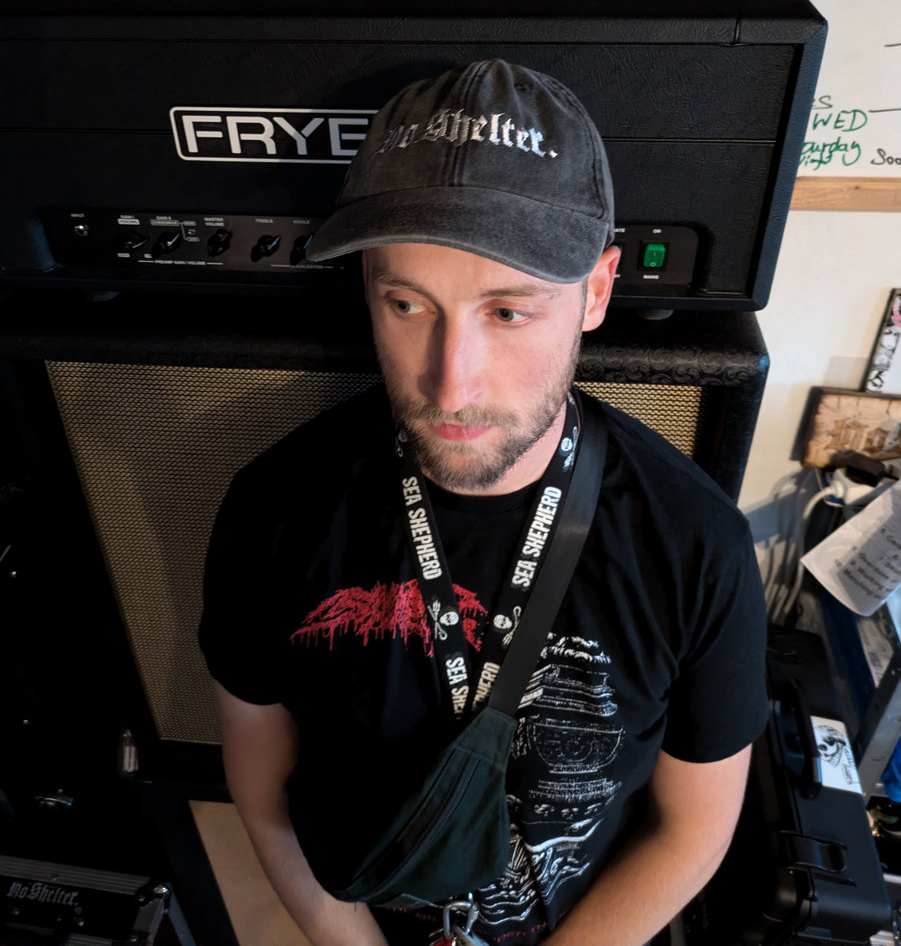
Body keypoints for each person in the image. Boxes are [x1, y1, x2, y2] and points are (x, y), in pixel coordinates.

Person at [199, 59, 768, 946]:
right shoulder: (273, 511)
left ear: (596, 292)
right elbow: (263, 779)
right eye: (406, 304)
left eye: (508, 312)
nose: (450, 383)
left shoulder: (696, 543)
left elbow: (693, 827)